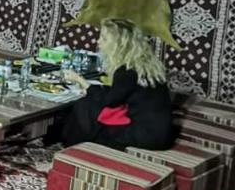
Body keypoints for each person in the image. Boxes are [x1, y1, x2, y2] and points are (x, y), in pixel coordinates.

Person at [56, 19, 175, 151]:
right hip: (161, 135)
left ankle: (70, 148)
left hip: (144, 136)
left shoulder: (127, 71)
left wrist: (80, 81)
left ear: (118, 45)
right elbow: (122, 92)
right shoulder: (146, 66)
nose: (98, 42)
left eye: (104, 39)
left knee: (85, 105)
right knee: (91, 105)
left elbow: (109, 102)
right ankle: (66, 141)